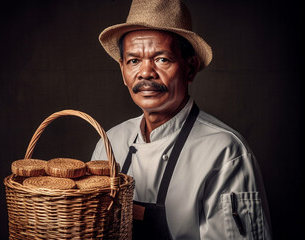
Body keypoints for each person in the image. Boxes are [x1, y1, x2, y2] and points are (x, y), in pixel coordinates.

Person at [91, 0, 272, 239]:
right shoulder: (109, 143)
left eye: (162, 59)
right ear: (123, 72)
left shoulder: (226, 152)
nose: (146, 72)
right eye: (134, 61)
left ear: (191, 68)